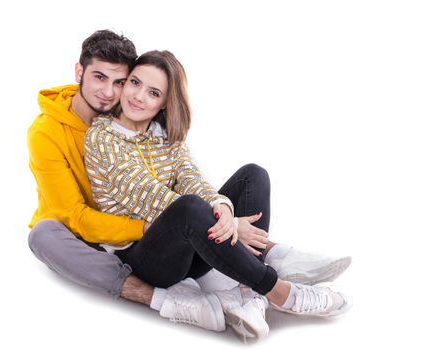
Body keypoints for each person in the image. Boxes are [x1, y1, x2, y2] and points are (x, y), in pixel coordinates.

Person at [84, 50, 353, 339]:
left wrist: (221, 206)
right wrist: (231, 224)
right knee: (188, 208)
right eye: (135, 83)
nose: (138, 96)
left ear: (164, 102)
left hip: (188, 248)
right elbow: (150, 199)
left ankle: (249, 295)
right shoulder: (102, 138)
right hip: (144, 258)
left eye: (153, 92)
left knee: (253, 175)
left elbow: (190, 178)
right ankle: (280, 292)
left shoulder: (164, 133)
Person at [27, 29, 227, 332]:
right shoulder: (45, 132)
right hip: (86, 233)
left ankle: (249, 261)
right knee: (42, 236)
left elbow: (170, 178)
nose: (109, 92)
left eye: (120, 81)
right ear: (79, 71)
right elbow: (75, 216)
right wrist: (148, 227)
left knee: (223, 193)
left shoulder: (132, 114)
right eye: (99, 77)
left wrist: (221, 214)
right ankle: (159, 299)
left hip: (141, 226)